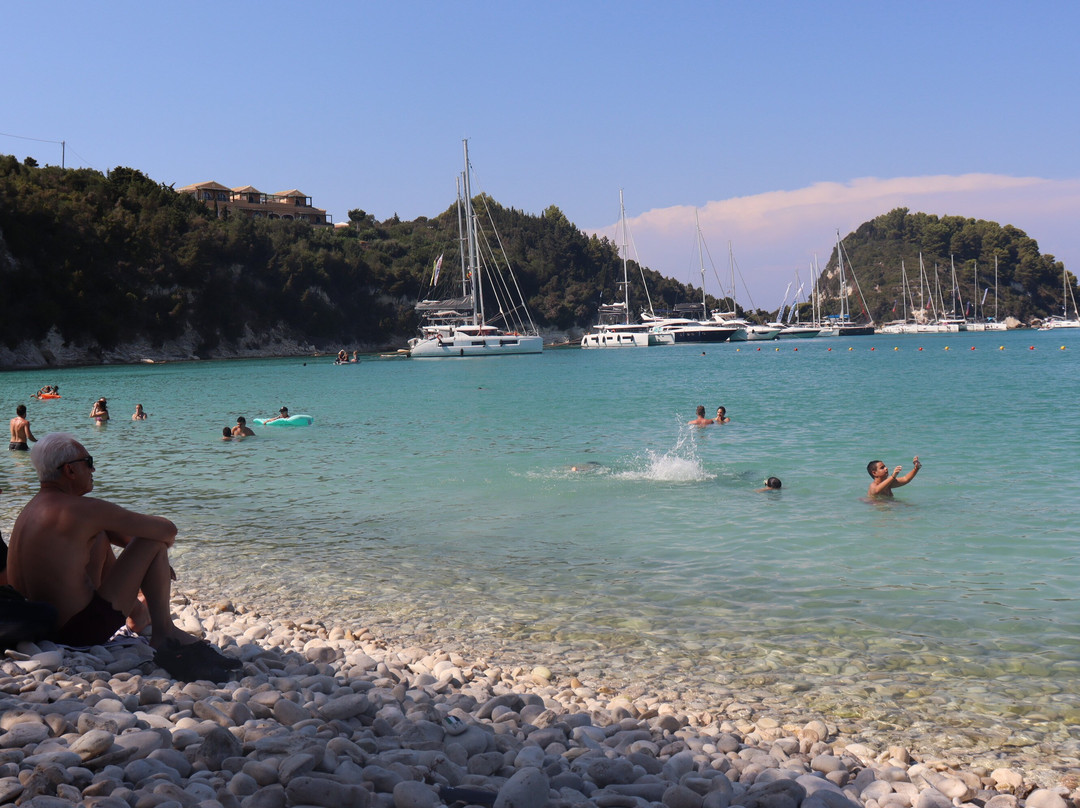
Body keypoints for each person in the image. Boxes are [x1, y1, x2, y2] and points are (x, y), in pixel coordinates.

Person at [7, 433, 240, 679]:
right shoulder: (82, 510)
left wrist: (144, 564)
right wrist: (152, 558)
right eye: (88, 462)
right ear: (70, 471)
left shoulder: (32, 509)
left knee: (100, 536)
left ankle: (138, 616)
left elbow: (113, 535)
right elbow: (166, 530)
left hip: (37, 625)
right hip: (78, 631)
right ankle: (164, 633)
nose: (93, 468)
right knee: (151, 541)